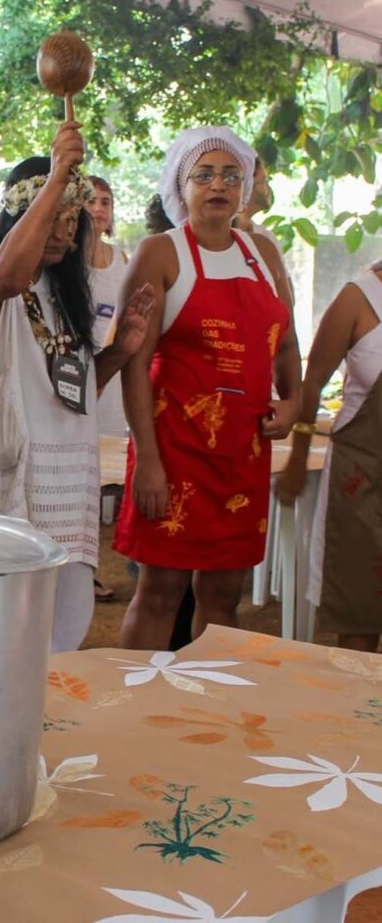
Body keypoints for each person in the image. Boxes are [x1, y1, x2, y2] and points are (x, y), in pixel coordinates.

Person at [0, 120, 153, 653]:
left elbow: (71, 398)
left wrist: (121, 350)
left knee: (59, 640)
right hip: (1, 493)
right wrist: (57, 178)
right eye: (52, 216)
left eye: (73, 219)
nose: (62, 230)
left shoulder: (63, 290)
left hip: (63, 492)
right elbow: (6, 277)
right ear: (20, 214)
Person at [114, 126, 301, 650]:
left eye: (230, 175)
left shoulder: (264, 252)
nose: (218, 184)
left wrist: (293, 401)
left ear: (244, 187)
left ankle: (208, 710)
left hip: (242, 452)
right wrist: (146, 459)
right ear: (181, 184)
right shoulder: (160, 252)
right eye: (204, 174)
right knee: (159, 592)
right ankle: (134, 709)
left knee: (224, 595)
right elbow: (134, 363)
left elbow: (286, 344)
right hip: (173, 450)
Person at [276, 260, 381, 652]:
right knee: (360, 611)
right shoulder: (359, 298)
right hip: (362, 480)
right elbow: (312, 384)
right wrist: (298, 460)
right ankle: (355, 711)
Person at [85, 175, 128, 438]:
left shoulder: (122, 259)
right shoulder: (64, 259)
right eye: (91, 201)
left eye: (106, 202)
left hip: (113, 375)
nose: (99, 208)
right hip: (78, 369)